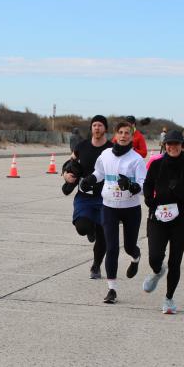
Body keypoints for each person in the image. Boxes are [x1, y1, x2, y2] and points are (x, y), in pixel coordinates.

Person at [80, 121, 147, 304]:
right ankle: (112, 290)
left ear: (132, 136)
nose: (124, 136)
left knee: (129, 247)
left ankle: (136, 257)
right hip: (109, 207)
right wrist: (90, 179)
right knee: (112, 248)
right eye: (121, 132)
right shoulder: (106, 154)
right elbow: (99, 173)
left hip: (131, 209)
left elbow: (143, 186)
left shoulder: (136, 159)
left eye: (127, 133)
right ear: (115, 135)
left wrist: (132, 185)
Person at [141, 130, 184, 314]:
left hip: (181, 220)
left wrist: (179, 189)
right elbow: (147, 185)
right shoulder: (156, 165)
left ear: (182, 146)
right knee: (154, 257)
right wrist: (149, 200)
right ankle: (157, 271)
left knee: (175, 261)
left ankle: (169, 299)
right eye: (169, 144)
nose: (172, 147)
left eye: (176, 143)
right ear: (164, 146)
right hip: (158, 218)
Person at [62, 115, 112, 279]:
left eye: (100, 125)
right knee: (82, 227)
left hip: (106, 197)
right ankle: (92, 230)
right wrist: (66, 175)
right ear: (91, 128)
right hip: (85, 196)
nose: (97, 128)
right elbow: (69, 164)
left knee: (103, 235)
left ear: (105, 128)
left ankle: (96, 266)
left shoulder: (111, 149)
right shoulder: (81, 146)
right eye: (94, 125)